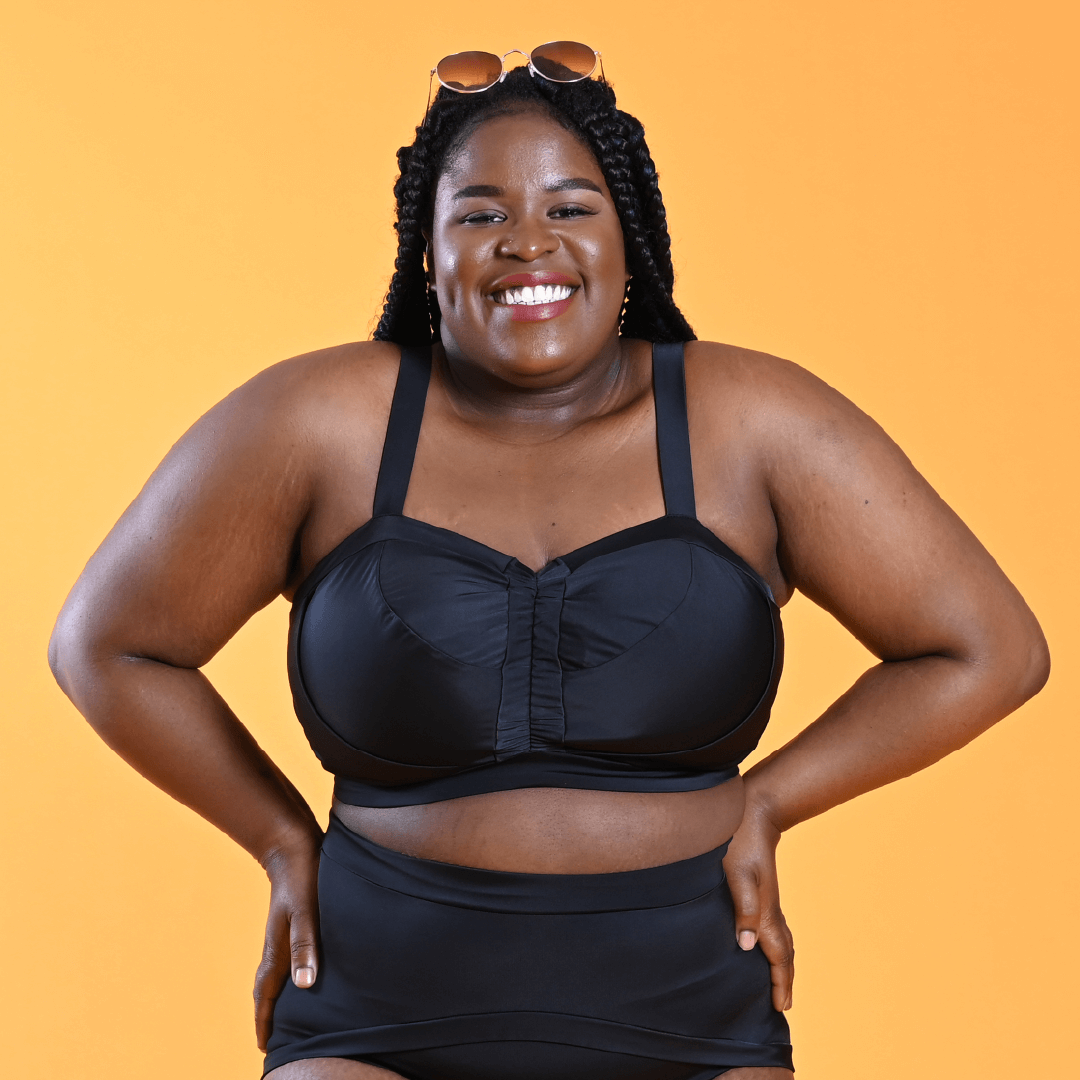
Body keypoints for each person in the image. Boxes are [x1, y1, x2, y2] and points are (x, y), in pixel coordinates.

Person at [48, 43, 1049, 1080]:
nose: (528, 243)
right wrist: (277, 835)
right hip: (373, 1011)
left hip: (690, 1017)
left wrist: (773, 799)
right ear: (427, 252)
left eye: (570, 208)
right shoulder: (319, 421)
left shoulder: (752, 422)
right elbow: (106, 645)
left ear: (630, 241)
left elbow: (991, 650)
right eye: (479, 215)